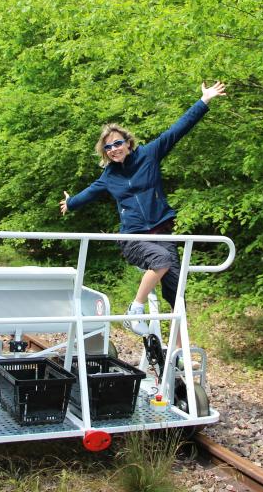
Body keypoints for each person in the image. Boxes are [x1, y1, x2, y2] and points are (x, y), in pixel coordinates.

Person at [60, 81, 226, 335]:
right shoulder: (109, 177)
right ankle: (134, 310)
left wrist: (203, 101)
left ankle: (178, 354)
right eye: (108, 147)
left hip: (162, 233)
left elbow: (177, 130)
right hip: (133, 236)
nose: (114, 149)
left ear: (128, 143)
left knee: (176, 295)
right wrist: (70, 203)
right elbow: (87, 195)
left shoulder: (149, 155)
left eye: (117, 144)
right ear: (104, 153)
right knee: (160, 261)